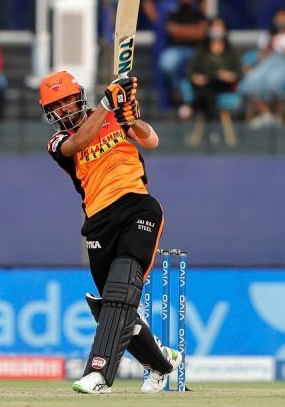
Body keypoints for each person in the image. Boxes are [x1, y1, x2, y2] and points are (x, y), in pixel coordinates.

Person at [39, 72, 180, 394]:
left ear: (79, 96)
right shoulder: (57, 142)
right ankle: (162, 361)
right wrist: (108, 103)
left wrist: (131, 117)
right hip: (98, 222)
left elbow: (150, 139)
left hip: (137, 207)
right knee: (115, 307)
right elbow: (80, 142)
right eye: (55, 105)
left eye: (66, 99)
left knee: (120, 294)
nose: (63, 108)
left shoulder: (111, 115)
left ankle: (98, 375)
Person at [240, 9, 285, 129]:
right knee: (252, 80)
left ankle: (274, 115)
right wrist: (270, 44)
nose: (281, 21)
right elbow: (260, 57)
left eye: (284, 19)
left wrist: (283, 45)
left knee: (272, 83)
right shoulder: (267, 36)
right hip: (266, 66)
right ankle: (267, 115)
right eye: (279, 18)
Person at [158, 0, 208, 108]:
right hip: (177, 50)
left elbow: (202, 34)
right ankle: (179, 93)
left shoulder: (198, 13)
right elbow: (172, 31)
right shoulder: (173, 13)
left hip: (197, 50)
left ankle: (197, 98)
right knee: (167, 63)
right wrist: (192, 31)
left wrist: (182, 32)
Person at [187, 18, 241, 121]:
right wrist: (196, 78)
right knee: (208, 93)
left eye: (220, 27)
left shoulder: (230, 52)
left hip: (224, 86)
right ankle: (212, 126)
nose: (217, 31)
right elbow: (191, 72)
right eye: (214, 27)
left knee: (207, 92)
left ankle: (192, 106)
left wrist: (229, 75)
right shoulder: (202, 51)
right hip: (206, 84)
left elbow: (239, 73)